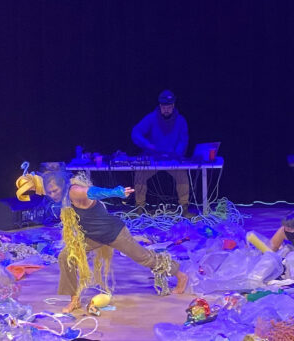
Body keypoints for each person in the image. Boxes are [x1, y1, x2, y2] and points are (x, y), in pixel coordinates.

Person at [40, 168, 188, 313]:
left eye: (55, 191)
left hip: (114, 233)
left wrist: (115, 192)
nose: (53, 195)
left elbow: (93, 192)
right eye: (50, 192)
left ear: (63, 185)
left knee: (144, 258)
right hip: (92, 236)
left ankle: (180, 276)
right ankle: (74, 299)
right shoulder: (64, 198)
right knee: (66, 256)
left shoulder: (74, 191)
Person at [131, 89, 195, 218]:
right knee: (140, 174)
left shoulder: (181, 120)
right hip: (153, 158)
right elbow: (136, 132)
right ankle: (139, 208)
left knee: (182, 175)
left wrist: (176, 155)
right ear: (160, 106)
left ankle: (184, 208)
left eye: (169, 106)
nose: (166, 109)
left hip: (172, 158)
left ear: (173, 106)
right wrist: (147, 144)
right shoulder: (151, 118)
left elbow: (183, 140)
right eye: (163, 106)